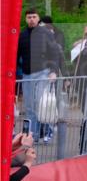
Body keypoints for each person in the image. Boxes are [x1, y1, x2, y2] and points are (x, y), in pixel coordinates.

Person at [16, 9, 63, 141]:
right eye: (29, 17)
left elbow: (54, 53)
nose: (31, 19)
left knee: (41, 104)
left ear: (38, 19)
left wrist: (53, 71)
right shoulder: (22, 35)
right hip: (27, 74)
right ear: (26, 19)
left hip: (43, 73)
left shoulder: (46, 33)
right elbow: (16, 55)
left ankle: (47, 132)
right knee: (30, 106)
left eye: (34, 17)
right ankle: (33, 136)